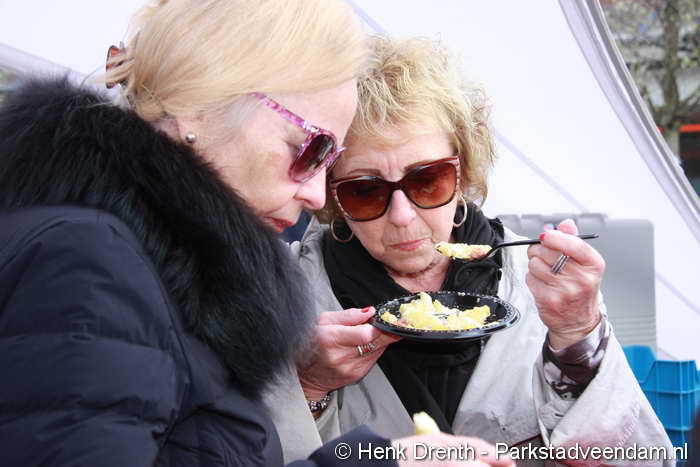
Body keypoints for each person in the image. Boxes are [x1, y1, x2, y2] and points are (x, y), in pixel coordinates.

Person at [0, 3, 514, 466]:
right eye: (312, 149)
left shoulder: (158, 264)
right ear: (199, 107)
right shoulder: (88, 261)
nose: (317, 194)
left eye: (427, 180)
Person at [267, 36, 675, 465]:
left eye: (427, 180)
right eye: (365, 191)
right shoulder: (284, 293)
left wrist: (578, 338)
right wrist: (309, 386)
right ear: (331, 193)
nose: (402, 216)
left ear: (464, 170)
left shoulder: (546, 285)